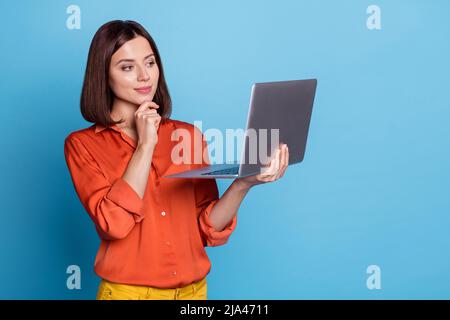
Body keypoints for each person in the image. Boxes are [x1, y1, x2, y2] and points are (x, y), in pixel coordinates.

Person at [64, 20, 289, 300]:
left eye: (150, 63)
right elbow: (115, 225)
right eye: (127, 67)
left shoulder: (188, 135)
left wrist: (244, 183)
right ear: (103, 75)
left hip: (194, 294)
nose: (145, 76)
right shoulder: (83, 144)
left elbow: (207, 227)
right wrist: (146, 144)